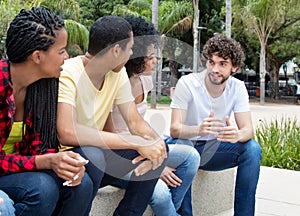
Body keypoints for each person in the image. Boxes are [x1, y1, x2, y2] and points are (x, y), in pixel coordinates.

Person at [57, 15, 167, 216]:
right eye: (130, 48)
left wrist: (155, 144)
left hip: (97, 155)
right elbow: (67, 131)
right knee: (94, 154)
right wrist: (134, 141)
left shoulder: (117, 74)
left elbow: (134, 120)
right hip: (68, 155)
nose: (133, 53)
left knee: (158, 147)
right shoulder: (69, 72)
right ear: (117, 50)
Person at [0, 7, 95, 216]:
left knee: (81, 184)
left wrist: (66, 165)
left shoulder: (44, 86)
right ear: (37, 57)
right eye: (61, 51)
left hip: (20, 169)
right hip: (6, 170)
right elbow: (38, 160)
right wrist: (45, 161)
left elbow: (40, 147)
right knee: (42, 189)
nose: (67, 57)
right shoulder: (1, 84)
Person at [106, 16, 200, 216]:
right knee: (160, 194)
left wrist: (159, 157)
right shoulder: (113, 83)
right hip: (118, 155)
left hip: (140, 149)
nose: (155, 61)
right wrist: (156, 164)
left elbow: (138, 123)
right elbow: (111, 139)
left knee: (191, 157)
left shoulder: (145, 82)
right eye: (150, 56)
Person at [169, 34, 262, 216]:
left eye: (222, 64)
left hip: (213, 149)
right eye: (211, 62)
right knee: (185, 149)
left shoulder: (237, 87)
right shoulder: (187, 84)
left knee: (252, 149)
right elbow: (174, 129)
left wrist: (237, 135)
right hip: (185, 146)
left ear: (234, 67)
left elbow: (247, 130)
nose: (215, 68)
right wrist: (199, 130)